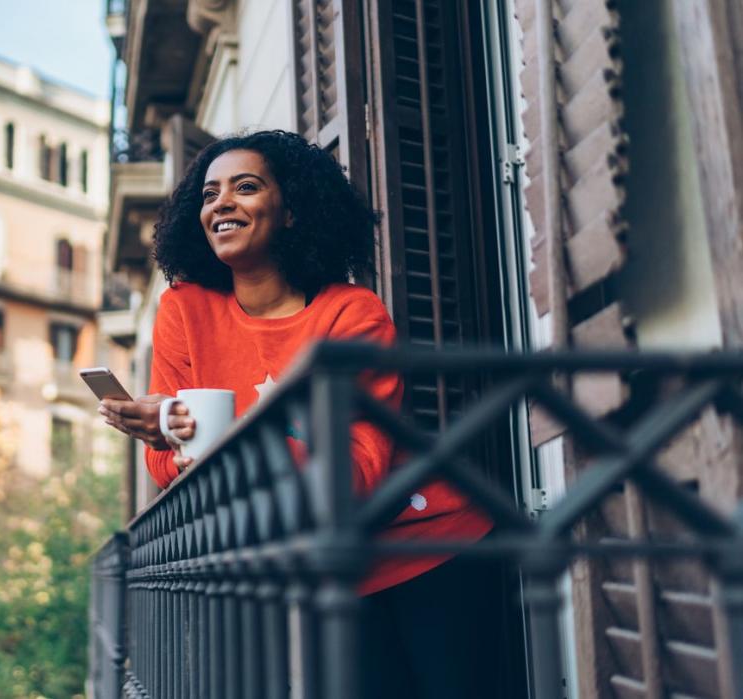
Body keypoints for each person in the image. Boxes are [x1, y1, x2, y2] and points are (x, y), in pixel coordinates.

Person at [98, 130, 498, 698]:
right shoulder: (184, 312)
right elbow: (165, 469)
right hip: (327, 567)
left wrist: (214, 435)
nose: (222, 204)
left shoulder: (352, 313)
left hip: (429, 544)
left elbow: (354, 476)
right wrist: (169, 429)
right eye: (210, 194)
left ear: (291, 212)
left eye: (246, 187)